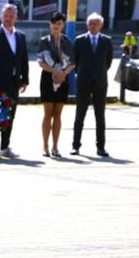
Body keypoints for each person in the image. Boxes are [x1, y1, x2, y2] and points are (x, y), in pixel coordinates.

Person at [0, 3, 29, 159]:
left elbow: (24, 59)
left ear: (16, 18)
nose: (8, 19)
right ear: (1, 17)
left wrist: (25, 79)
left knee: (10, 115)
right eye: (5, 16)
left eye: (11, 16)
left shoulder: (20, 36)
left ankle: (5, 146)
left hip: (14, 82)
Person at [71, 12, 113, 158]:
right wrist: (84, 73)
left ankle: (100, 147)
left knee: (100, 116)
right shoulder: (80, 40)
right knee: (80, 115)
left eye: (96, 23)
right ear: (87, 25)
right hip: (83, 82)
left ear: (101, 25)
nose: (93, 26)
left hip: (100, 83)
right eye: (90, 23)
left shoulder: (106, 41)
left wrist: (98, 72)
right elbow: (75, 61)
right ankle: (76, 145)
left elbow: (108, 62)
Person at [37, 12, 74, 158]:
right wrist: (55, 71)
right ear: (49, 25)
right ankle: (45, 146)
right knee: (48, 113)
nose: (55, 26)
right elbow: (40, 62)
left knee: (58, 114)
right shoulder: (44, 41)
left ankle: (55, 146)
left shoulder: (68, 42)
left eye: (59, 24)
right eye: (53, 23)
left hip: (63, 79)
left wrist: (63, 73)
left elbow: (73, 63)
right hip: (47, 77)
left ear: (63, 26)